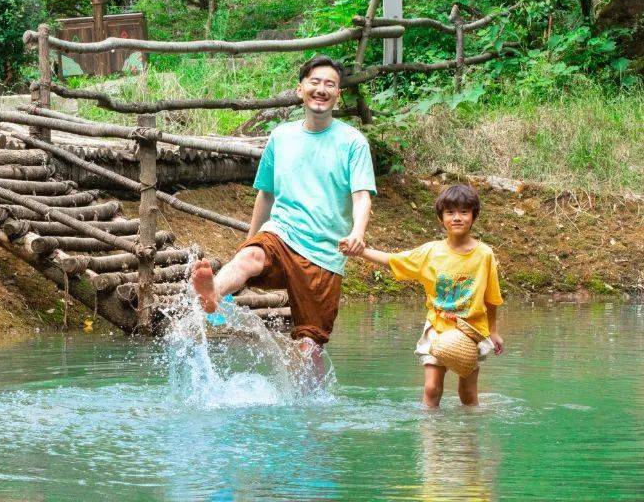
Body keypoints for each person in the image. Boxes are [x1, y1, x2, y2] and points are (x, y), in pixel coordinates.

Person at [190, 54, 376, 374]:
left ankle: (309, 411)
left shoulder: (352, 142)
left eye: (329, 84)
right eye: (314, 82)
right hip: (282, 232)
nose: (321, 89)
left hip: (324, 253)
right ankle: (213, 295)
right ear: (300, 89)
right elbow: (266, 194)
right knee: (248, 259)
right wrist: (248, 245)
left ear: (338, 95)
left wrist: (358, 232)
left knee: (309, 346)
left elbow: (361, 196)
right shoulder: (281, 136)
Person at [353, 184, 505, 408]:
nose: (457, 218)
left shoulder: (484, 255)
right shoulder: (431, 252)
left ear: (474, 216)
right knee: (432, 389)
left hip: (470, 331)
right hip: (438, 326)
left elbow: (491, 298)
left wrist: (493, 331)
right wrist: (359, 250)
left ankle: (469, 438)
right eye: (450, 212)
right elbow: (393, 259)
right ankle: (431, 437)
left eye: (464, 212)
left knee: (468, 393)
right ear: (441, 217)